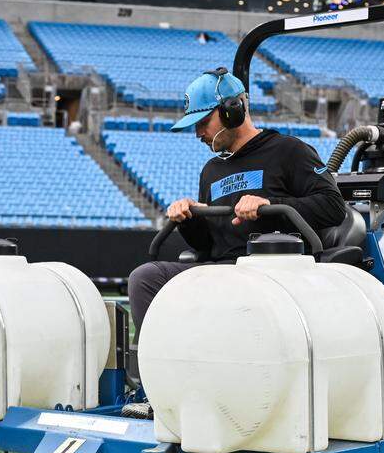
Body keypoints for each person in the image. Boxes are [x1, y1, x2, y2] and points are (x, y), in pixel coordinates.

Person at [127, 67, 346, 331]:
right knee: (145, 278)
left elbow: (334, 207)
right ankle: (163, 367)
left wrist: (270, 204)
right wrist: (189, 219)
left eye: (203, 123)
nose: (198, 134)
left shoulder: (289, 151)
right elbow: (207, 248)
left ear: (232, 111)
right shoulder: (211, 170)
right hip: (223, 273)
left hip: (274, 275)